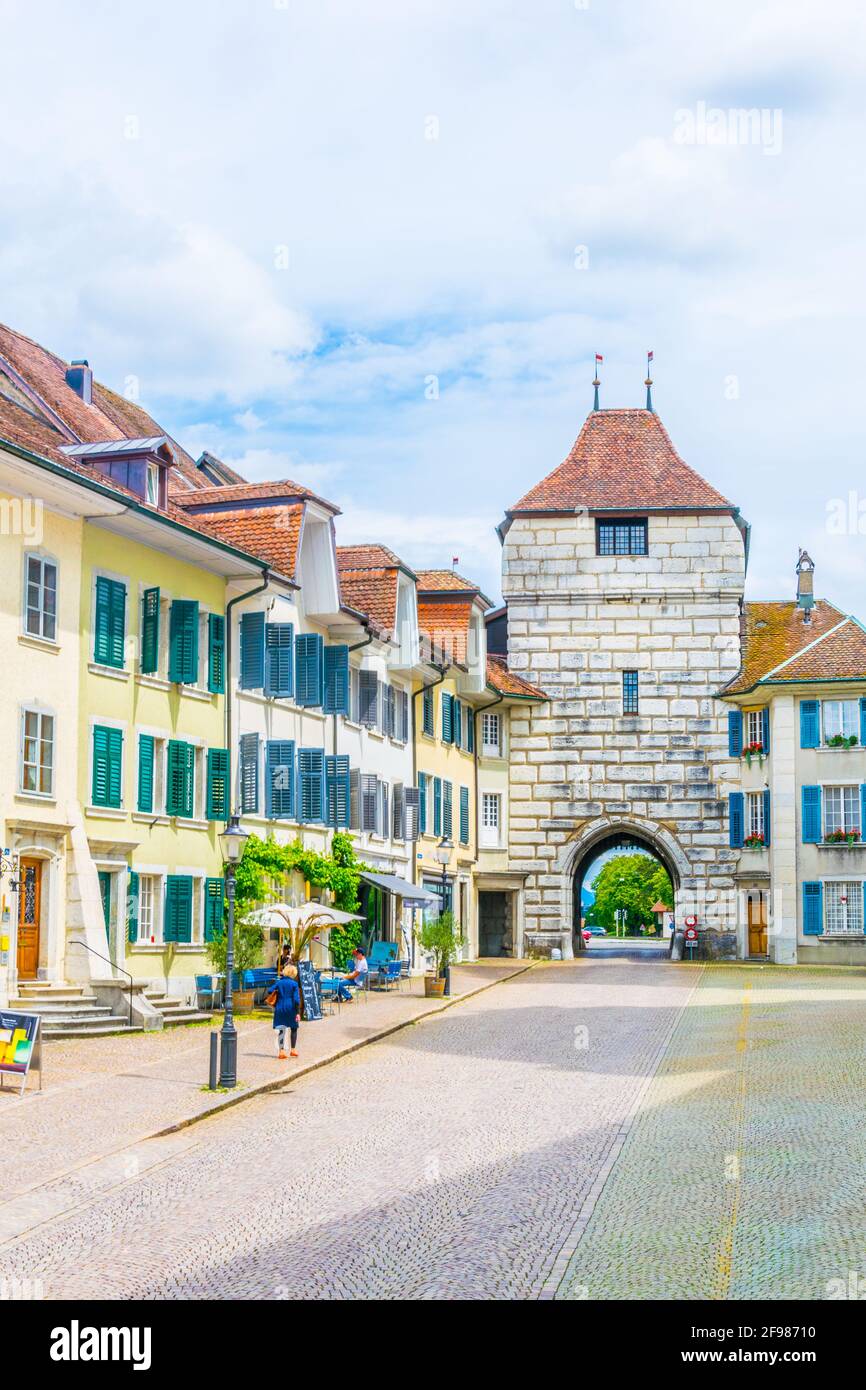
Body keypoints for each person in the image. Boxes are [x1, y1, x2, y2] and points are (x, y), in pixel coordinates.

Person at [272, 963, 301, 1059]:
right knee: (294, 1028)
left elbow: (269, 990)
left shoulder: (279, 982)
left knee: (281, 1029)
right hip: (291, 1008)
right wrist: (297, 1012)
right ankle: (293, 1050)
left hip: (280, 1007)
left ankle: (281, 1051)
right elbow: (296, 1000)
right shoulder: (294, 984)